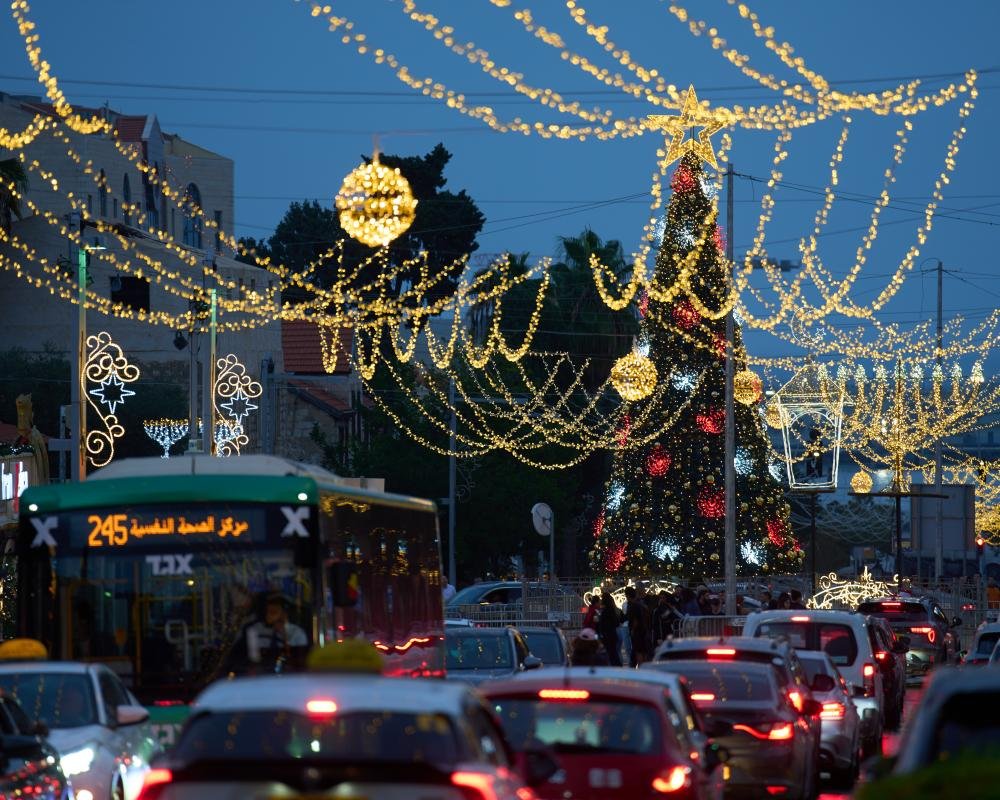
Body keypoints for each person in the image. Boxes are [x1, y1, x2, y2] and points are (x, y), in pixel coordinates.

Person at [625, 586, 652, 666]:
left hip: (637, 633)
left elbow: (635, 621)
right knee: (644, 652)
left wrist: (632, 631)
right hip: (644, 630)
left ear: (628, 596)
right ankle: (645, 668)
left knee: (638, 652)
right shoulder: (641, 604)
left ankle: (641, 669)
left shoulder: (633, 606)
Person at [597, 594, 623, 666]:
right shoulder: (613, 610)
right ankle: (617, 666)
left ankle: (616, 666)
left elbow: (602, 624)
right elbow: (617, 622)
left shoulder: (605, 611)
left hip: (607, 635)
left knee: (611, 653)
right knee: (614, 652)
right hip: (612, 634)